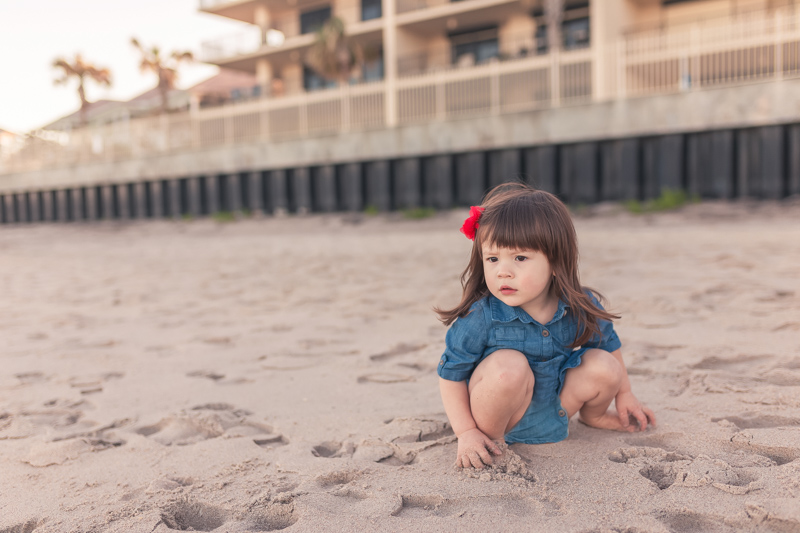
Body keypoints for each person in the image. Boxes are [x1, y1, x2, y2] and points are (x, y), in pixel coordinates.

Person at [435, 183, 656, 469]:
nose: (503, 270)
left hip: (558, 408)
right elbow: (451, 375)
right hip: (500, 419)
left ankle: (593, 416)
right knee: (508, 367)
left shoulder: (578, 304)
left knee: (603, 363)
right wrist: (466, 432)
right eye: (492, 258)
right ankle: (490, 438)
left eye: (520, 258)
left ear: (554, 261)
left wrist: (625, 394)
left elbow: (609, 345)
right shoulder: (482, 316)